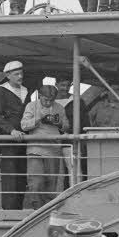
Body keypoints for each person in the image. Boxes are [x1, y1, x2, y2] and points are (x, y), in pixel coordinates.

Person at [21, 77, 71, 209]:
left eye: (51, 100)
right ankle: (37, 210)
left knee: (51, 184)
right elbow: (24, 125)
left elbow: (66, 127)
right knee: (35, 183)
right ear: (40, 96)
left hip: (54, 150)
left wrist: (58, 123)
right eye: (45, 100)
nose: (48, 103)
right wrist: (38, 118)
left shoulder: (59, 107)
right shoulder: (31, 106)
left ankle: (47, 211)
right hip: (35, 150)